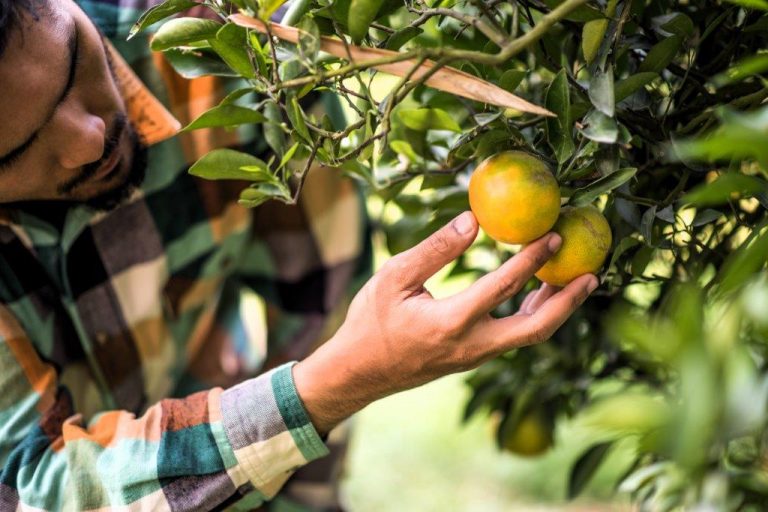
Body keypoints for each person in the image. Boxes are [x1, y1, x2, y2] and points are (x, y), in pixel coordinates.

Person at [0, 1, 599, 511]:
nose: (89, 138)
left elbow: (320, 298)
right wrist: (328, 386)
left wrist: (300, 479)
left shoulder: (226, 53)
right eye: (17, 149)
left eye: (75, 61)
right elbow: (31, 489)